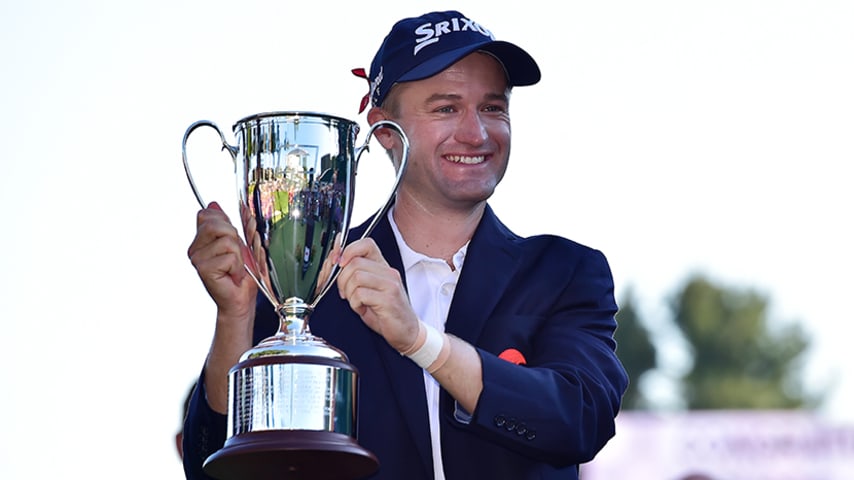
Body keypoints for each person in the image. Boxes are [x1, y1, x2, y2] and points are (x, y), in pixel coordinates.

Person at [182, 10, 627, 480]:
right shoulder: (309, 279)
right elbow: (213, 471)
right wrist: (234, 317)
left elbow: (581, 419)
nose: (476, 133)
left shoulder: (564, 272)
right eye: (446, 108)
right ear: (383, 131)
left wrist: (420, 340)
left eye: (493, 108)